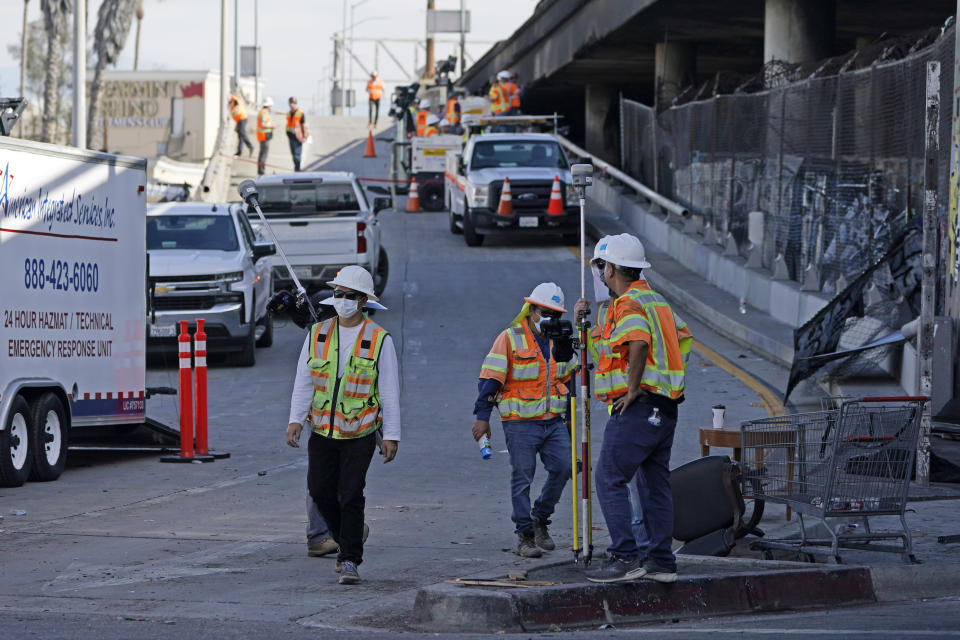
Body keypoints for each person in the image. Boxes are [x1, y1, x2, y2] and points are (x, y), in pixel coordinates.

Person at [575, 234, 692, 584]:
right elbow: (680, 339)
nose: (600, 273)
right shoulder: (656, 302)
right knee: (654, 486)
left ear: (611, 268)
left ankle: (625, 557)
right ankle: (661, 562)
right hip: (665, 408)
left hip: (638, 406)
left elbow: (638, 342)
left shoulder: (628, 303)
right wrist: (589, 327)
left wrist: (633, 388)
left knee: (608, 478)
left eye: (601, 266)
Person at [286, 266, 401, 585]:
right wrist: (295, 419)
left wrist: (391, 435)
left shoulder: (379, 340)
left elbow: (389, 389)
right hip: (322, 429)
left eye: (349, 296)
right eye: (338, 294)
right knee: (319, 490)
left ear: (363, 301)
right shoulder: (318, 333)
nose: (342, 300)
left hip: (360, 432)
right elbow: (304, 379)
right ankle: (348, 536)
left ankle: (349, 558)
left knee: (351, 493)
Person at [473, 283, 577, 558]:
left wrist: (569, 424)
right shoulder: (509, 338)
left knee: (565, 467)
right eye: (545, 312)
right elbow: (490, 380)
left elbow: (569, 382)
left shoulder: (561, 342)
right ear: (531, 311)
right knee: (522, 478)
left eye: (556, 315)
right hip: (520, 423)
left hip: (553, 421)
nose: (550, 320)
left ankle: (540, 517)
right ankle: (525, 535)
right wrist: (482, 418)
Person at [286, 97, 307, 172]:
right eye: (291, 103)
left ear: (296, 104)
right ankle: (296, 167)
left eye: (293, 103)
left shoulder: (300, 113)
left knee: (297, 154)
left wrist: (304, 136)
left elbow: (303, 125)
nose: (292, 105)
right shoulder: (288, 113)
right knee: (293, 154)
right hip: (290, 136)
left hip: (298, 137)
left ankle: (297, 168)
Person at [255, 97, 274, 176]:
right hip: (264, 135)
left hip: (262, 135)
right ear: (269, 105)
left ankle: (260, 171)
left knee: (262, 154)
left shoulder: (262, 112)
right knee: (263, 154)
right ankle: (261, 172)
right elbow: (263, 124)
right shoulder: (264, 112)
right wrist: (271, 127)